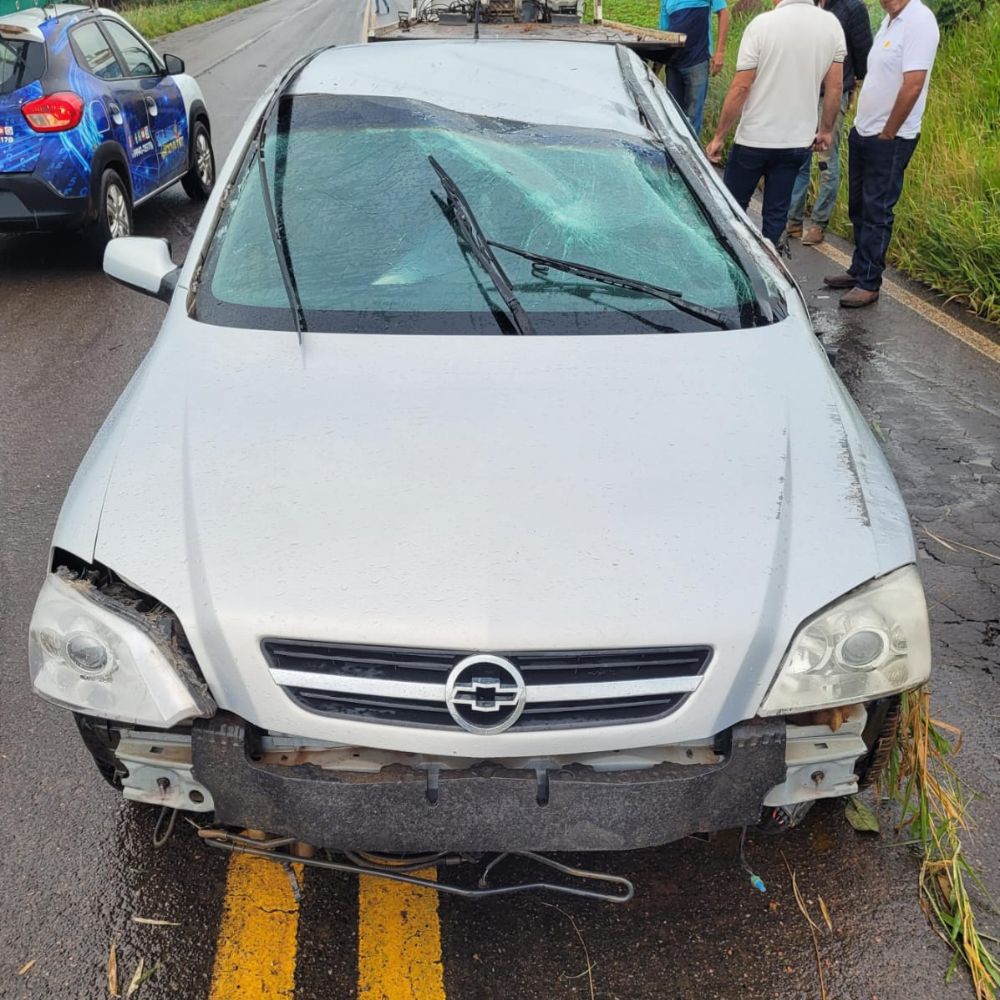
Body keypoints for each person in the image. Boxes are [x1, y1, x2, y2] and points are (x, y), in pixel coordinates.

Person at [825, 0, 939, 307]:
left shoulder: (919, 20)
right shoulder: (889, 21)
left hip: (891, 137)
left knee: (877, 209)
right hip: (865, 131)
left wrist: (889, 132)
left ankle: (869, 282)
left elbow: (913, 85)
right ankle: (859, 268)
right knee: (859, 206)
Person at [705, 0, 846, 248]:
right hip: (797, 141)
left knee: (730, 211)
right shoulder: (831, 25)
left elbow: (741, 87)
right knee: (776, 214)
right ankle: (771, 274)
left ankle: (729, 269)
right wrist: (825, 130)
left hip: (754, 138)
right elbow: (835, 86)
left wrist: (719, 136)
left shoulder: (761, 25)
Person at [786, 0, 873, 246]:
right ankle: (793, 220)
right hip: (806, 90)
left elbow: (865, 54)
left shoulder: (852, 8)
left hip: (835, 92)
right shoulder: (809, 6)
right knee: (799, 156)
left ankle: (818, 223)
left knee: (825, 159)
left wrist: (850, 86)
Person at [660, 0, 730, 136]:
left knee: (693, 118)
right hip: (673, 64)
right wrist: (656, 67)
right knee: (673, 116)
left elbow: (723, 12)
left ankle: (691, 155)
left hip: (697, 61)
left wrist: (720, 52)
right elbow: (663, 32)